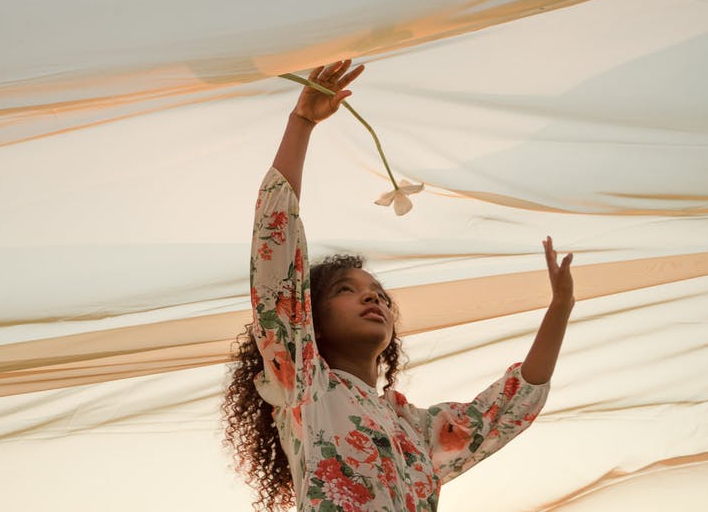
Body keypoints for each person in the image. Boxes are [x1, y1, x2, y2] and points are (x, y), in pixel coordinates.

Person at [223, 59, 575, 512]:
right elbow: (276, 253)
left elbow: (507, 407)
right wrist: (302, 123)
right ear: (311, 318)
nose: (372, 296)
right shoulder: (307, 384)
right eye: (345, 289)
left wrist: (560, 309)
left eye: (380, 294)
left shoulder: (416, 429)